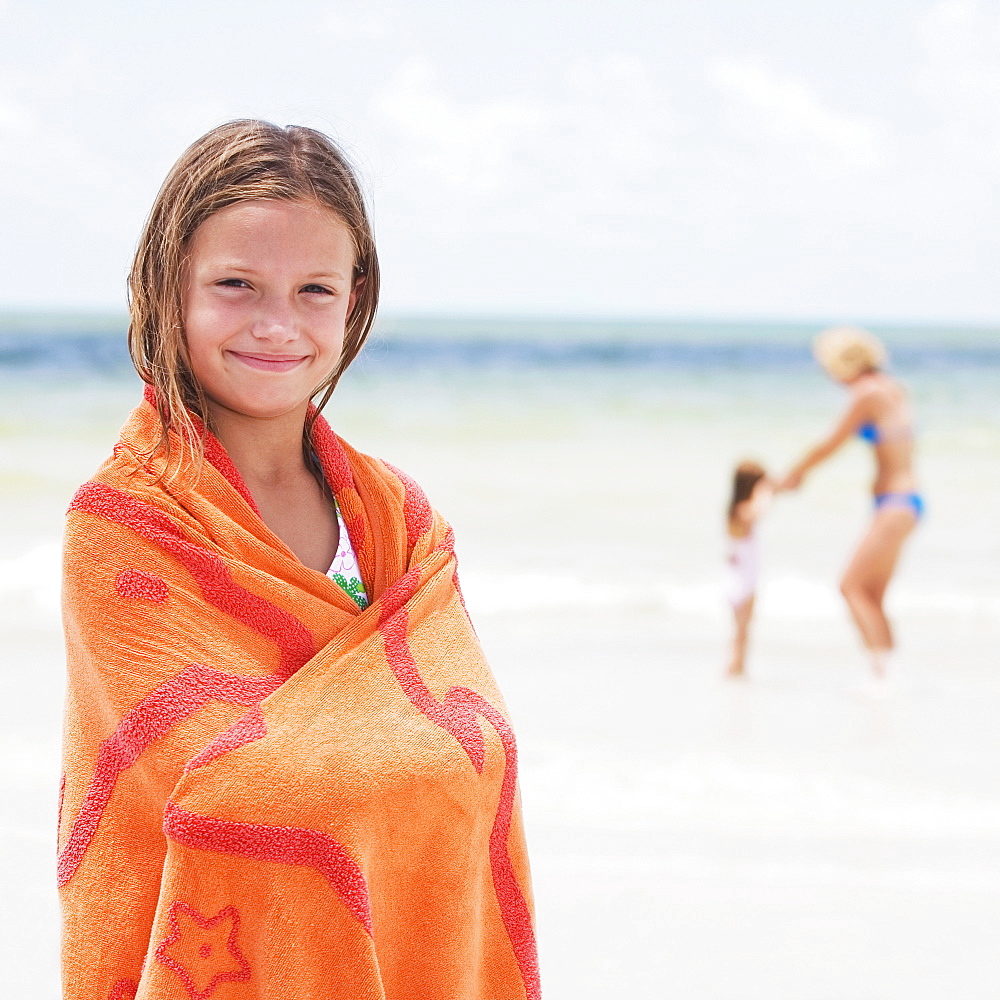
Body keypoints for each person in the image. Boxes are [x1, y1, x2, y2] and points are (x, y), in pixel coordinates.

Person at [58, 120, 540, 1000]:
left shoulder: (401, 521)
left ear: (355, 300)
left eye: (315, 289)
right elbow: (232, 791)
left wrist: (378, 767)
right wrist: (392, 762)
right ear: (167, 290)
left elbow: (477, 752)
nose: (278, 325)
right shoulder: (126, 523)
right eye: (236, 285)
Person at [779, 325, 922, 680]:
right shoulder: (892, 389)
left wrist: (793, 475)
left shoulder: (867, 394)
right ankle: (893, 674)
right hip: (906, 501)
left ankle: (882, 675)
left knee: (851, 586)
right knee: (872, 594)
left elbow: (829, 443)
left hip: (895, 502)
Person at [724, 460, 772, 677]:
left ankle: (739, 666)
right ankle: (735, 667)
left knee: (741, 627)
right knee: (743, 628)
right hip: (743, 578)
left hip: (737, 575)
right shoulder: (743, 510)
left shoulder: (732, 510)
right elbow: (759, 511)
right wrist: (765, 491)